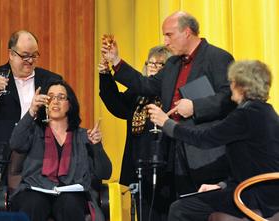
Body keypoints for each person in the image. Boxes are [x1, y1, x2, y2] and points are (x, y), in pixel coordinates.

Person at [101, 11, 236, 198]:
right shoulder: (173, 64)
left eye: (169, 35)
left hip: (205, 153)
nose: (165, 41)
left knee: (206, 208)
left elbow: (229, 97)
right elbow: (146, 85)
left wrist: (195, 106)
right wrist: (116, 61)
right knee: (179, 208)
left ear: (187, 32)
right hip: (173, 150)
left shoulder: (218, 57)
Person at [147, 60, 279, 221]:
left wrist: (166, 123)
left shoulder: (245, 115)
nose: (230, 87)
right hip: (267, 193)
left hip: (254, 196)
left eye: (232, 82)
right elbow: (253, 162)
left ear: (242, 86)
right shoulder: (268, 113)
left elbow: (204, 139)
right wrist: (221, 186)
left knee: (180, 209)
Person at [9, 80, 112, 221]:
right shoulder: (34, 131)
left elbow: (105, 173)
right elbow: (15, 144)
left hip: (71, 194)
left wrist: (97, 146)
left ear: (70, 105)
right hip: (35, 190)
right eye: (51, 97)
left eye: (61, 97)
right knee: (33, 203)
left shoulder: (84, 136)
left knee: (68, 203)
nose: (55, 101)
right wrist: (31, 110)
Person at [99, 45, 171, 220]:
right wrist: (106, 76)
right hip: (139, 166)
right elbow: (117, 106)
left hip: (166, 167)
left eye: (159, 64)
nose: (153, 66)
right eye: (150, 62)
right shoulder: (138, 93)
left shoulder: (171, 93)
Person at [0, 30, 62, 179]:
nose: (30, 60)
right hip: (2, 154)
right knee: (1, 201)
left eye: (34, 55)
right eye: (25, 55)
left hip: (41, 154)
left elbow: (64, 113)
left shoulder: (51, 80)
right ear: (11, 54)